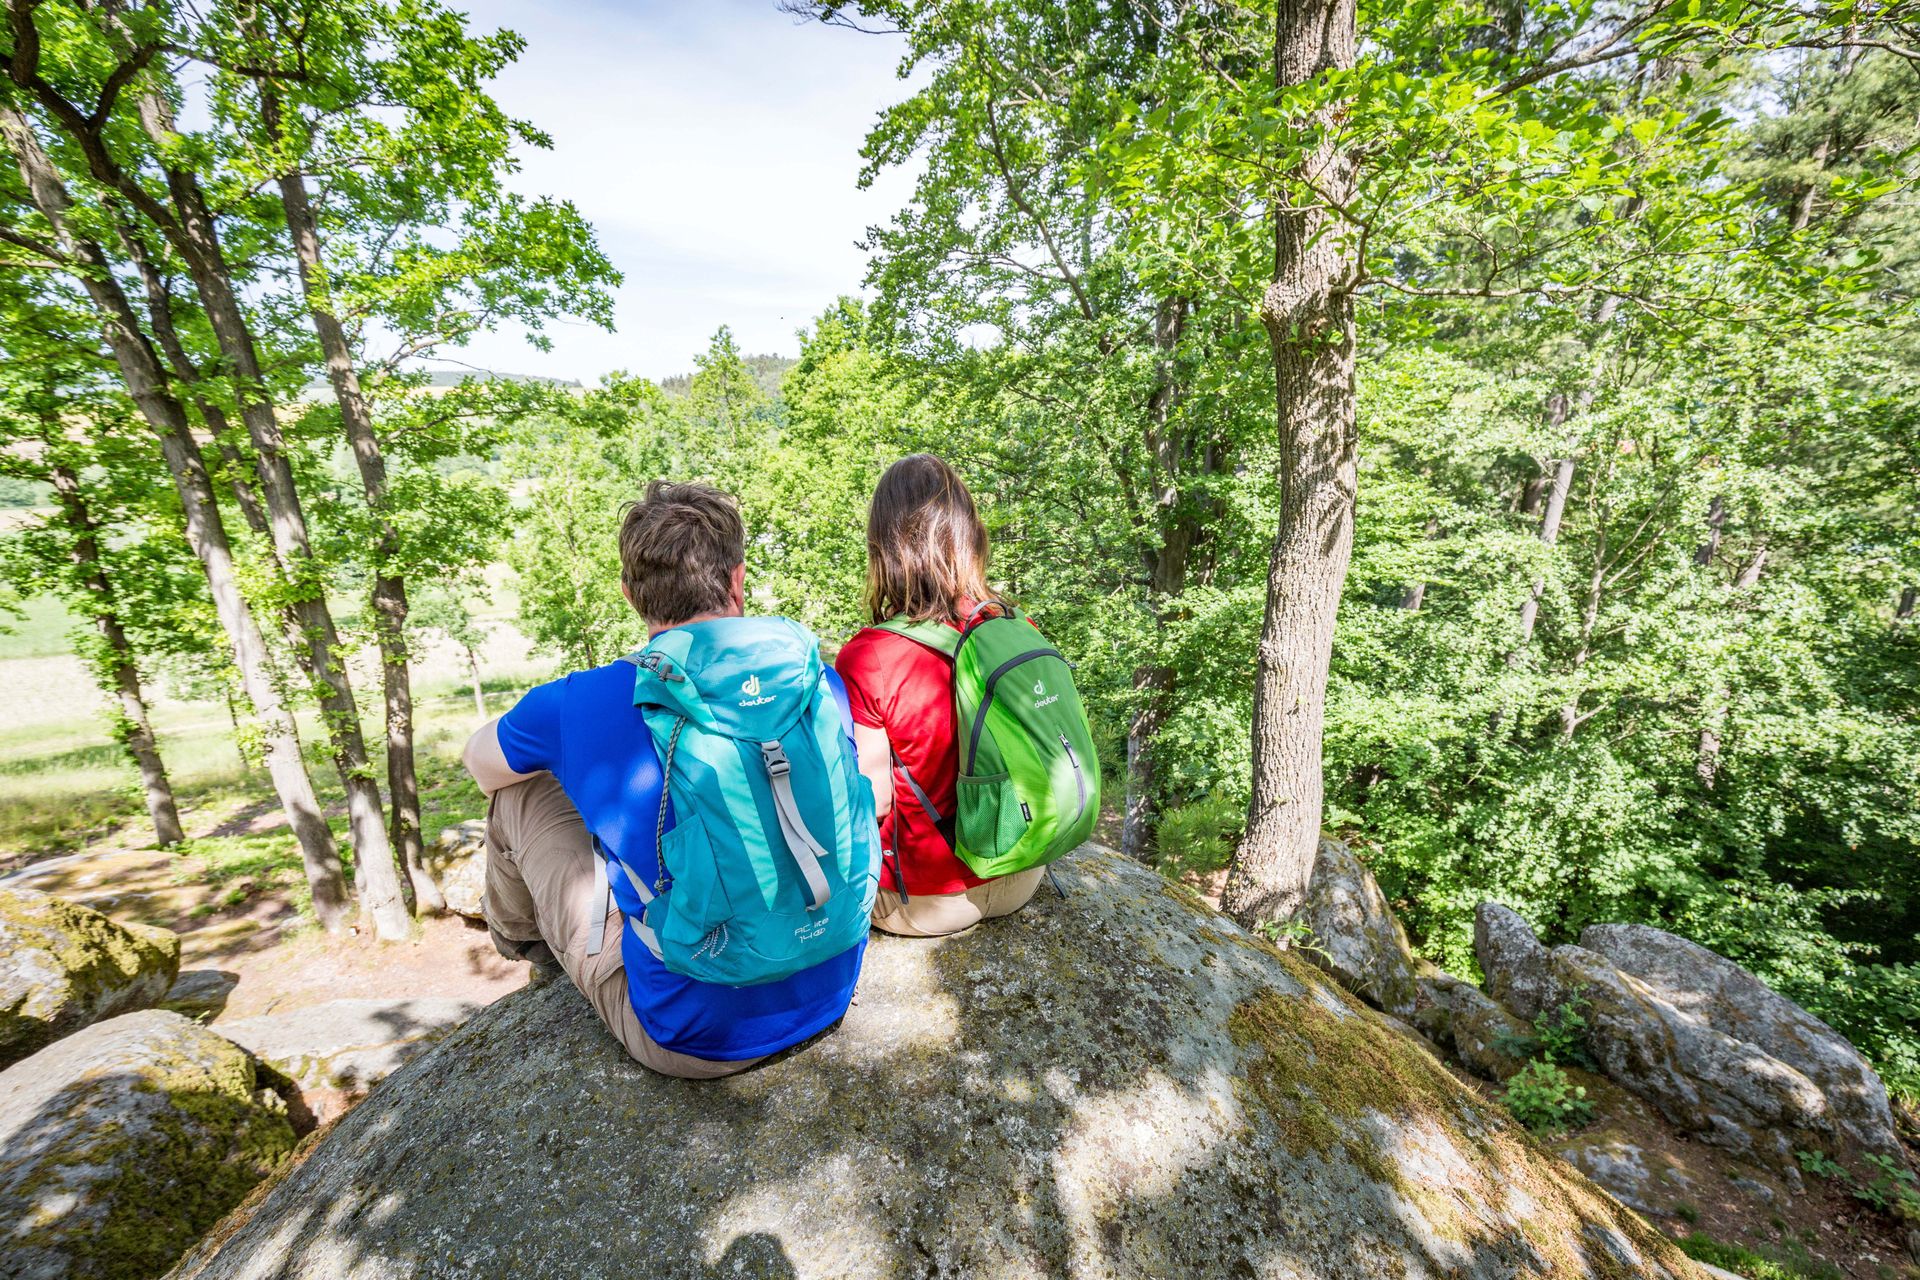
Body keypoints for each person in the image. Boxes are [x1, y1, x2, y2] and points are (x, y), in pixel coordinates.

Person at [462, 480, 867, 1077]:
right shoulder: (815, 681)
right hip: (831, 985)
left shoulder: (580, 701)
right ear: (737, 579)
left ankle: (526, 947)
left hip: (692, 1035)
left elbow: (479, 763)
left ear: (631, 595)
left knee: (519, 791)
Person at [834, 454, 1044, 936]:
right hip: (1023, 872)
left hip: (926, 903)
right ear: (969, 538)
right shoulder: (1012, 627)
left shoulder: (869, 657)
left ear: (884, 548)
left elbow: (874, 800)